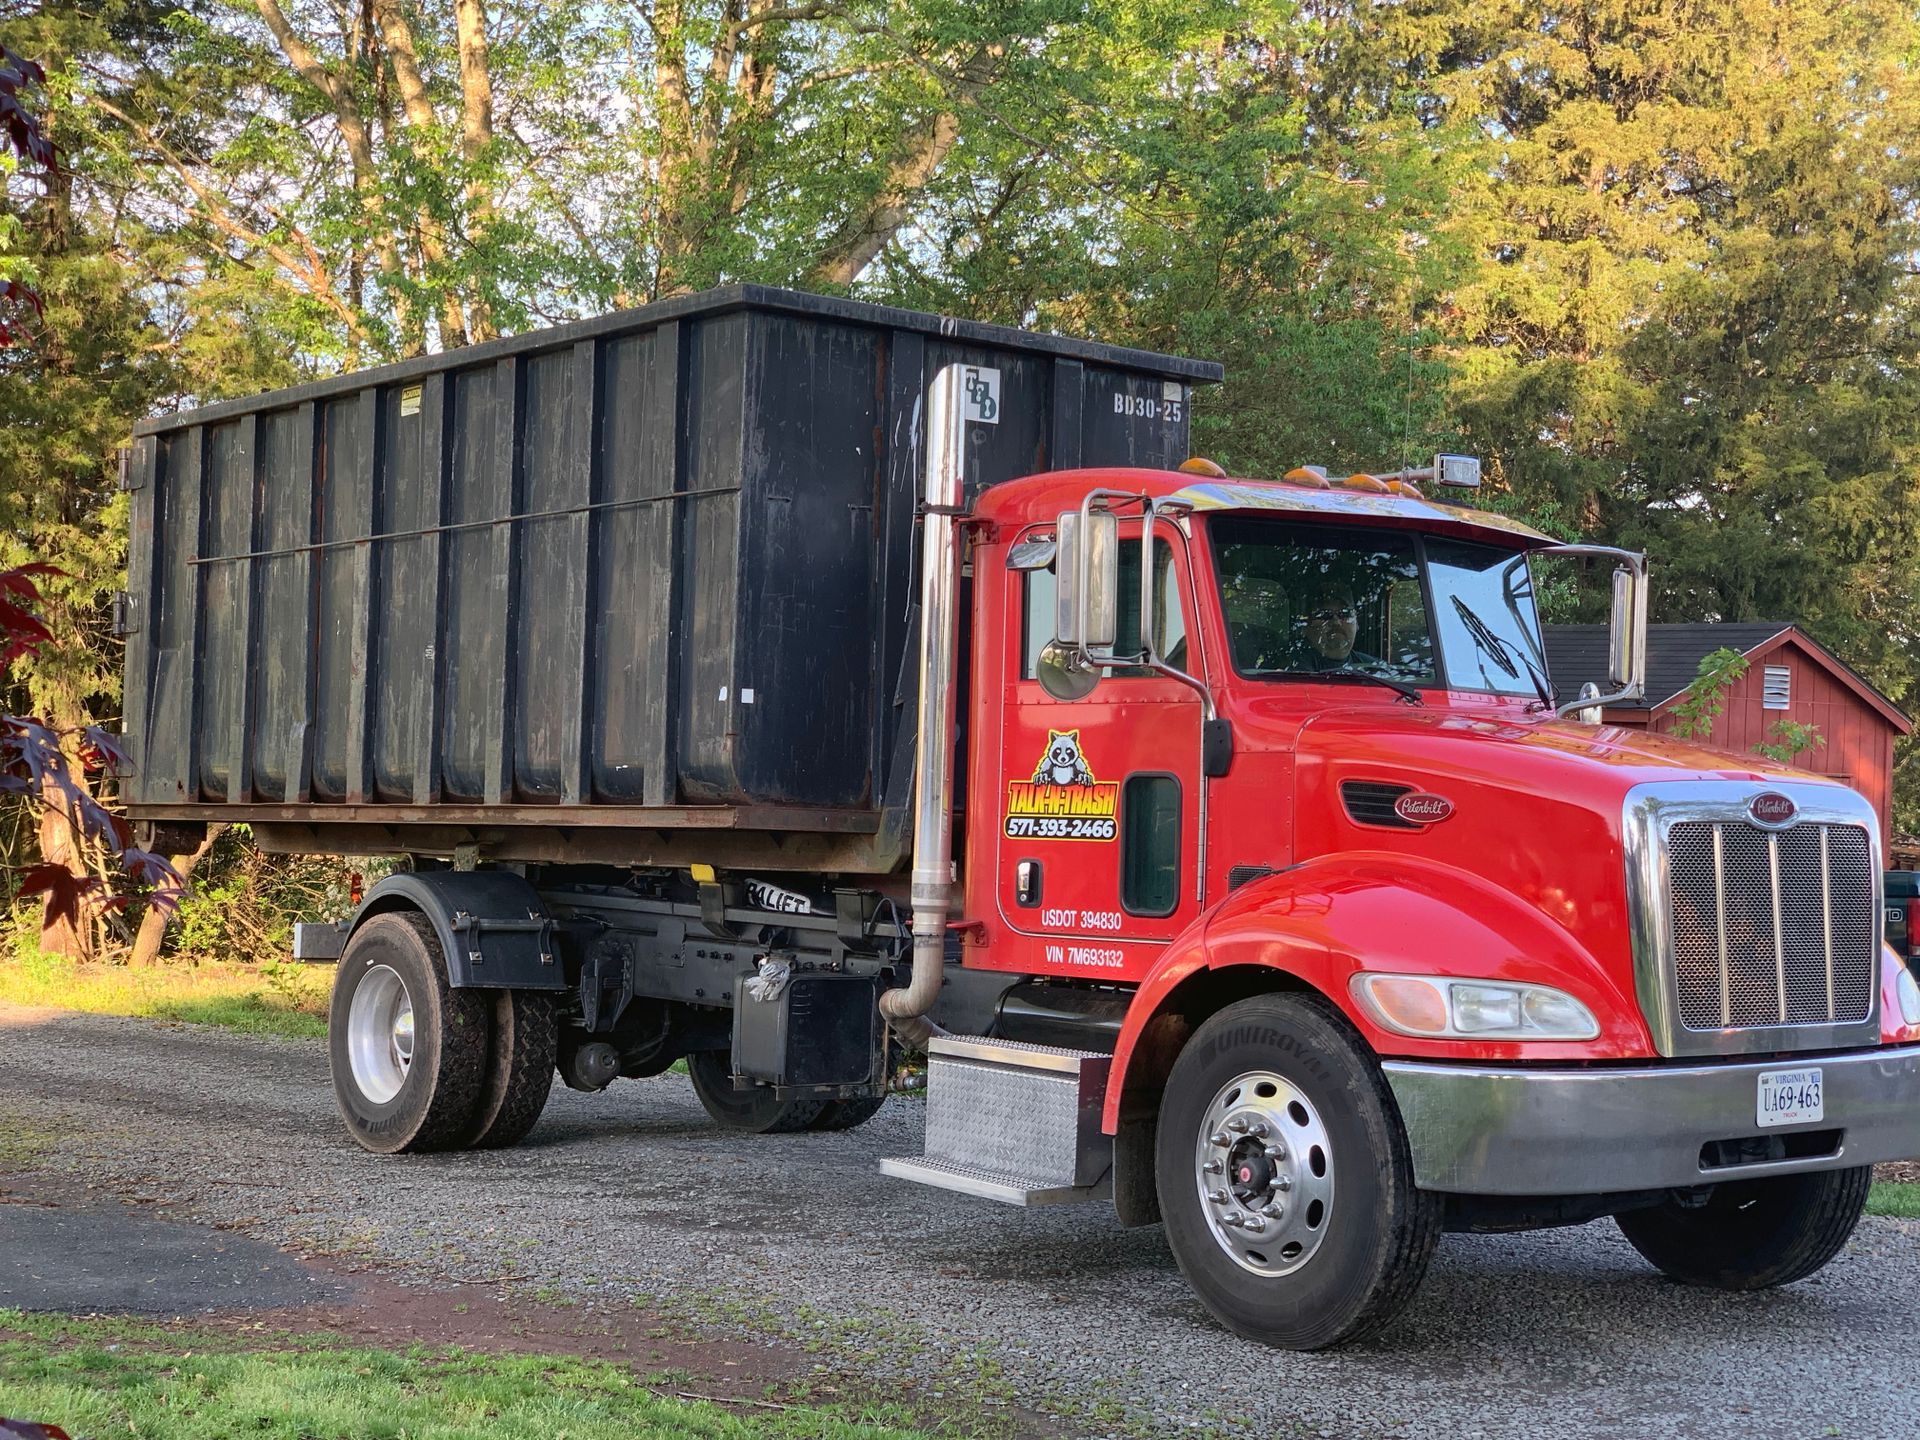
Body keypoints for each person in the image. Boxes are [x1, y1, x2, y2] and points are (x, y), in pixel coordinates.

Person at [1300, 582, 1380, 670]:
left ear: (1357, 624)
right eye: (1324, 615)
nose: (1336, 622)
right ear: (1305, 627)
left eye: (1345, 613)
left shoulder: (1375, 670)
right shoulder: (1291, 675)